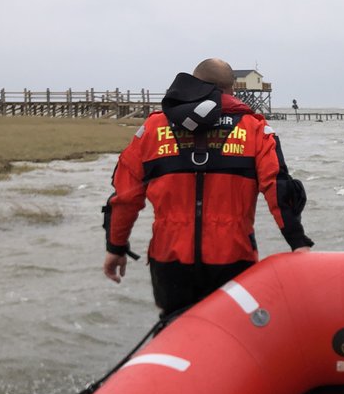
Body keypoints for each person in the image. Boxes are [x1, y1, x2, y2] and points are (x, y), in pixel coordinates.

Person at [102, 58, 313, 315]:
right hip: (233, 258)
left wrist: (116, 247)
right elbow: (277, 189)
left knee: (176, 329)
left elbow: (124, 197)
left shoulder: (153, 129)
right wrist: (297, 242)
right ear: (231, 90)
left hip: (169, 260)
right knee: (233, 334)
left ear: (193, 84)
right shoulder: (254, 129)